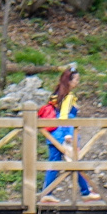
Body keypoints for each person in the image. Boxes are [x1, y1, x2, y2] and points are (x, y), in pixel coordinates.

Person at [39, 66, 100, 203]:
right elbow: (64, 116)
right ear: (69, 81)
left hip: (54, 134)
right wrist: (67, 134)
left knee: (54, 163)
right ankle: (85, 192)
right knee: (74, 162)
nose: (77, 82)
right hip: (64, 134)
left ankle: (47, 193)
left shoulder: (56, 95)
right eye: (76, 79)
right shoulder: (69, 96)